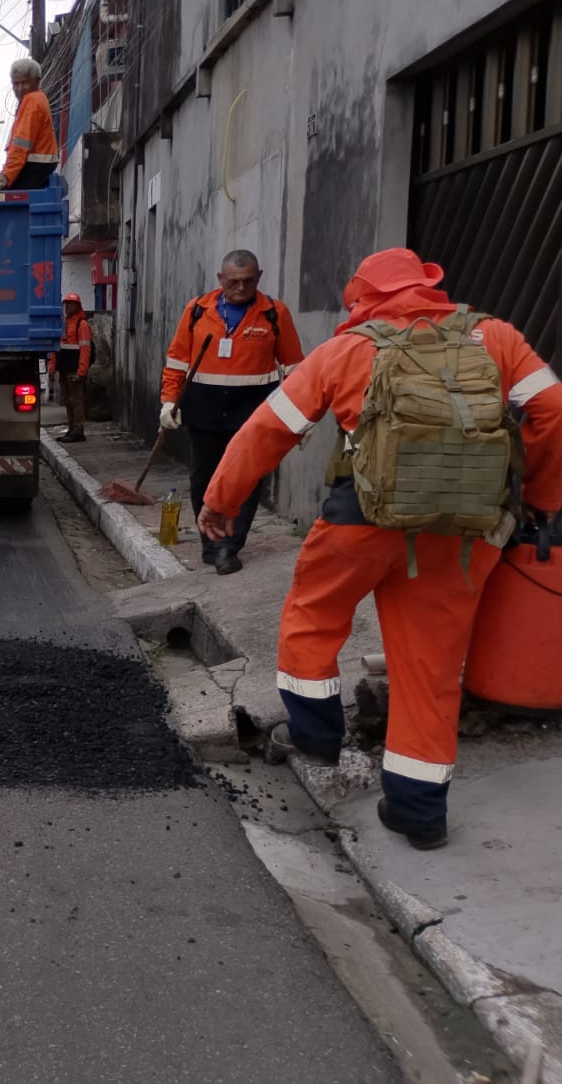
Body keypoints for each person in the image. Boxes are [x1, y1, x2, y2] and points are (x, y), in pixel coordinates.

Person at [200, 248, 562, 850]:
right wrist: (542, 499)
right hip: (462, 533)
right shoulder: (495, 338)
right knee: (430, 666)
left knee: (313, 618)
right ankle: (419, 812)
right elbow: (552, 412)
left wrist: (221, 500)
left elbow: (270, 428)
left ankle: (315, 734)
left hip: (360, 523)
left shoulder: (348, 349)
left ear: (362, 299)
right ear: (429, 288)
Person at [160, 249, 304, 574]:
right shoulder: (197, 311)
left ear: (259, 277)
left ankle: (229, 546)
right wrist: (169, 401)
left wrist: (299, 417)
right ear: (220, 280)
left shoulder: (274, 314)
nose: (241, 288)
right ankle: (209, 542)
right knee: (203, 478)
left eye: (248, 281)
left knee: (245, 480)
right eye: (234, 282)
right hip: (203, 408)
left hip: (251, 410)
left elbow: (296, 369)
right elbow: (177, 360)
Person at [0, 58, 59, 201]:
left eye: (24, 83)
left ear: (36, 81)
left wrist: (2, 179)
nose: (19, 88)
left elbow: (20, 148)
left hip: (32, 169)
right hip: (39, 169)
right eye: (16, 83)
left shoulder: (32, 101)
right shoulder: (39, 99)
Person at [53, 293, 93, 443]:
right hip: (64, 369)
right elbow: (57, 347)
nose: (68, 307)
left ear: (77, 306)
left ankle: (78, 431)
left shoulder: (82, 325)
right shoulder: (65, 324)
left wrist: (81, 372)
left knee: (76, 401)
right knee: (69, 401)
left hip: (74, 370)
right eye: (66, 304)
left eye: (71, 304)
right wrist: (52, 368)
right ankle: (71, 429)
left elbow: (85, 350)